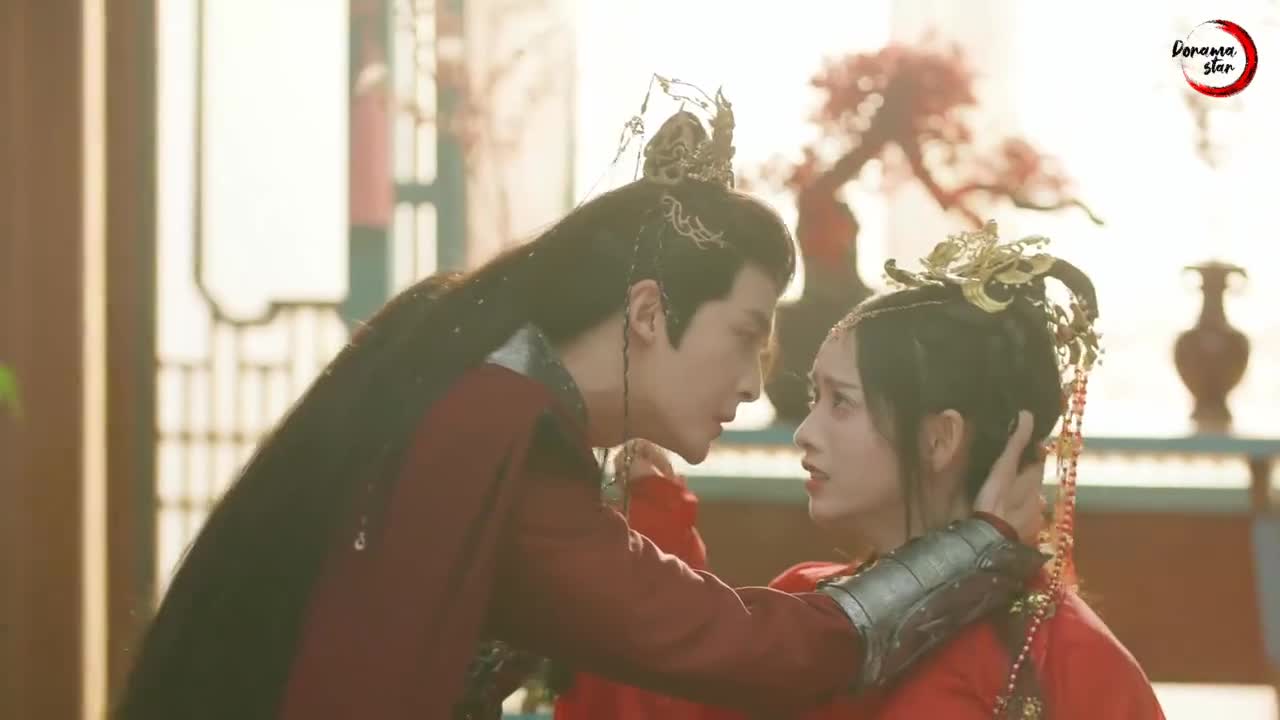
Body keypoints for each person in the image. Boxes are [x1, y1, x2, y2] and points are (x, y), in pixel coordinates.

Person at [112, 80, 1049, 720]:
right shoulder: (497, 437)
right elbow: (756, 652)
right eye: (744, 334)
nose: (756, 382)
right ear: (647, 313)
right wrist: (980, 547)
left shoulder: (477, 381)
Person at [564, 223, 1166, 719]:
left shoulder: (1068, 663)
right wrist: (654, 526)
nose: (806, 432)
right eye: (813, 399)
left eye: (842, 403)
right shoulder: (808, 605)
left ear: (939, 438)